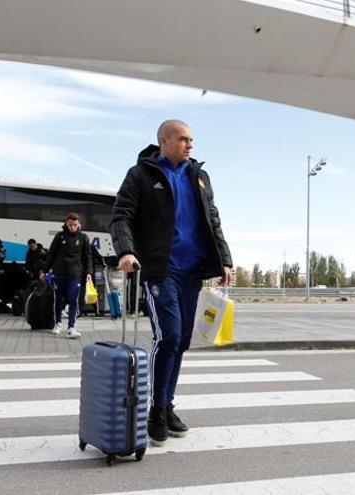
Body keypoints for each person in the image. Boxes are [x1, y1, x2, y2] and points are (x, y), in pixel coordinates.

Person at [111, 119, 233, 446]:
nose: (190, 144)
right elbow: (121, 215)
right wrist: (125, 250)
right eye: (183, 139)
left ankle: (167, 405)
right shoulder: (141, 175)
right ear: (164, 141)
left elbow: (213, 219)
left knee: (182, 342)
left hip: (192, 271)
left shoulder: (200, 176)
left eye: (192, 139)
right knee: (169, 335)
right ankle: (155, 410)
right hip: (160, 270)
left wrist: (225, 259)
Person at [42, 212, 93, 339]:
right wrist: (44, 271)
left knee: (73, 299)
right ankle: (58, 323)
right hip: (59, 273)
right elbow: (51, 254)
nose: (73, 227)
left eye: (75, 225)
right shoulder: (59, 237)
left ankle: (71, 327)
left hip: (75, 274)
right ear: (66, 223)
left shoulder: (83, 238)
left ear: (79, 224)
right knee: (58, 299)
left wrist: (89, 273)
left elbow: (88, 257)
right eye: (70, 225)